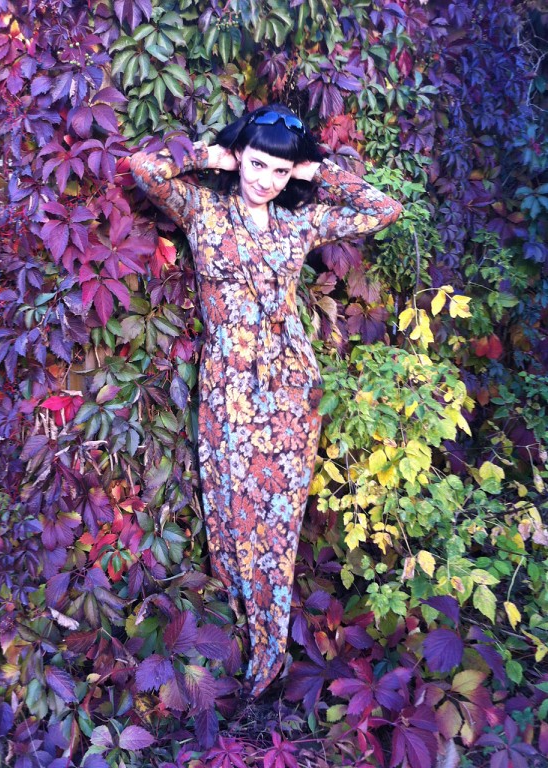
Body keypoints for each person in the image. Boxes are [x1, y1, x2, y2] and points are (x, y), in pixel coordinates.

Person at [130, 104, 403, 700]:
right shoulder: (202, 207)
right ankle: (237, 643)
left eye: (279, 171)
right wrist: (218, 157)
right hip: (228, 383)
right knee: (229, 511)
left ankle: (269, 657)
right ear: (241, 158)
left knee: (275, 523)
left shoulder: (298, 223)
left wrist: (314, 171)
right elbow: (143, 168)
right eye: (258, 164)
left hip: (288, 386)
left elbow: (385, 209)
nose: (266, 180)